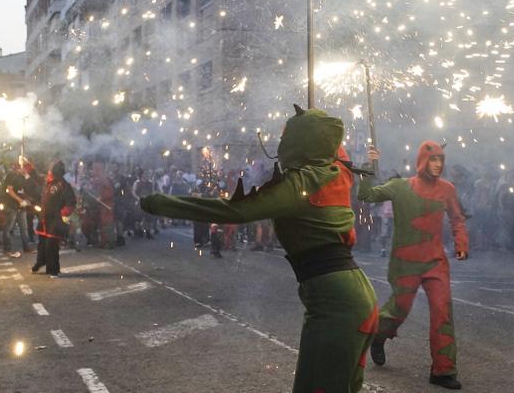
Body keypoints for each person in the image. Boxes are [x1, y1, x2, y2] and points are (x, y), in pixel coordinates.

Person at [141, 106, 378, 393]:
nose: (282, 144)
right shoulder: (337, 171)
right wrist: (316, 122)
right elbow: (331, 143)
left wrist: (160, 203)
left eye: (288, 136)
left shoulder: (301, 185)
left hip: (337, 304)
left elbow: (235, 211)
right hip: (350, 299)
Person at [358, 141, 469, 390]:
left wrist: (462, 243)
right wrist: (367, 166)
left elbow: (457, 218)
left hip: (435, 262)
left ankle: (443, 371)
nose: (438, 165)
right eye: (433, 160)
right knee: (399, 309)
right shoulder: (401, 187)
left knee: (442, 312)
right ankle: (379, 335)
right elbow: (366, 196)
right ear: (422, 161)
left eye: (441, 159)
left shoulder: (447, 189)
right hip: (405, 261)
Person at [33, 161, 76, 278]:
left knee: (51, 245)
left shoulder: (63, 185)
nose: (48, 171)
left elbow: (71, 202)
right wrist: (27, 165)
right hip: (45, 219)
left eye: (50, 170)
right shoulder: (49, 182)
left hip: (55, 221)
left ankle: (54, 270)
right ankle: (41, 262)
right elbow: (35, 177)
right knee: (42, 244)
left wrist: (63, 213)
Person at [0, 159, 33, 258]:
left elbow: (23, 191)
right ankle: (7, 249)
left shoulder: (23, 177)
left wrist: (26, 200)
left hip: (21, 206)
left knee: (24, 228)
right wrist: (19, 200)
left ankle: (27, 247)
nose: (26, 170)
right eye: (25, 167)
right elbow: (9, 191)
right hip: (11, 205)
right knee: (8, 228)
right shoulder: (11, 176)